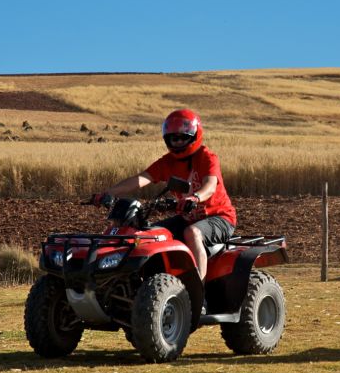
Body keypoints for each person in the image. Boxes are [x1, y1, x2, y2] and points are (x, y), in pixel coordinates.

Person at [93, 108, 236, 280]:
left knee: (192, 233)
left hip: (220, 217)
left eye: (182, 137)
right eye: (173, 138)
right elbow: (140, 179)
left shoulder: (207, 157)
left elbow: (210, 186)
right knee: (151, 234)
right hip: (187, 218)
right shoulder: (167, 162)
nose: (177, 142)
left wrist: (195, 197)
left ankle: (198, 290)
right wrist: (107, 193)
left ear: (194, 135)